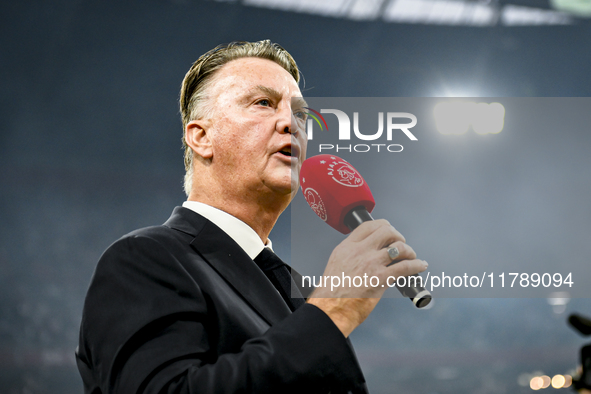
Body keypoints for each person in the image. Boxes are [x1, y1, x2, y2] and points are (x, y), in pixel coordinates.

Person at [75, 40, 427, 394]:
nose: (292, 124)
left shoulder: (300, 291)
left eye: (301, 114)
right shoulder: (144, 259)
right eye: (263, 103)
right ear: (201, 137)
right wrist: (331, 314)